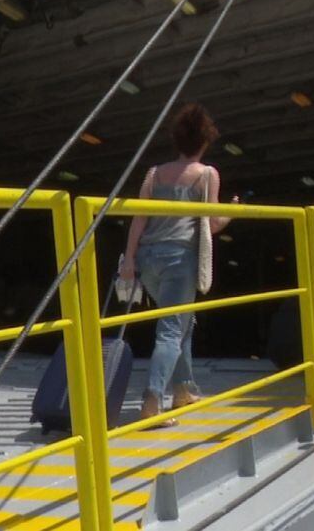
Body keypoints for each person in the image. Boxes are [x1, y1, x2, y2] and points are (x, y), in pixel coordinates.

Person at [120, 103, 237, 427]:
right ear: (204, 142)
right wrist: (234, 211)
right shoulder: (208, 175)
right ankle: (152, 400)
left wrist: (129, 258)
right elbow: (212, 224)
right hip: (179, 260)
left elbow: (139, 218)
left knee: (183, 321)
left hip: (148, 260)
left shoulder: (154, 173)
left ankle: (183, 390)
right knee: (172, 330)